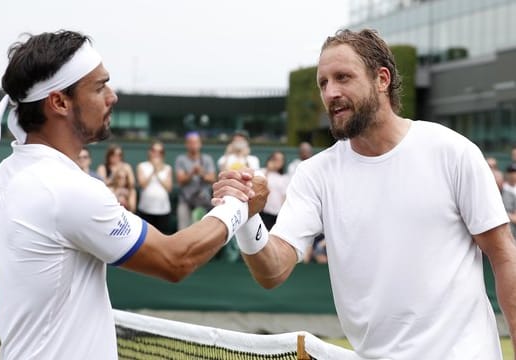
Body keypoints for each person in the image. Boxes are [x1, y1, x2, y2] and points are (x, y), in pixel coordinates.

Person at [212, 29, 516, 359]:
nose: (331, 93)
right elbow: (272, 271)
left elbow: (504, 257)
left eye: (343, 77)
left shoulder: (452, 152)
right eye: (323, 83)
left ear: (381, 79)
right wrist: (248, 217)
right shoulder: (315, 175)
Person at [0, 30, 265, 360]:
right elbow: (176, 259)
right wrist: (238, 203)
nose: (112, 97)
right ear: (59, 102)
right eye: (99, 87)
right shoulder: (68, 189)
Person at [174, 131, 216, 230]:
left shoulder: (207, 159)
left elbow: (212, 179)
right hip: (185, 201)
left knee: (201, 232)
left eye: (196, 142)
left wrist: (201, 173)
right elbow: (180, 180)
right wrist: (192, 173)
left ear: (200, 144)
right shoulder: (181, 159)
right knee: (183, 231)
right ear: (187, 144)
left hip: (202, 202)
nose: (193, 145)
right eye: (191, 142)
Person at [136, 141, 173, 234]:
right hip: (145, 209)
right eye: (154, 150)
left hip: (163, 210)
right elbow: (142, 184)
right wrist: (153, 170)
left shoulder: (167, 168)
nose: (157, 154)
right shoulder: (142, 166)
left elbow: (169, 188)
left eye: (160, 152)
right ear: (150, 152)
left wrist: (158, 172)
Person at [259, 151, 289, 230]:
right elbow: (260, 185)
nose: (277, 162)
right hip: (263, 212)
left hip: (277, 214)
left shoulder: (283, 178)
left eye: (280, 160)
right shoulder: (262, 172)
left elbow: (284, 197)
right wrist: (268, 170)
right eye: (275, 159)